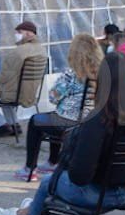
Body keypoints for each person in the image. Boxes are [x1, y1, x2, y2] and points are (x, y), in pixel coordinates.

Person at [0, 50, 125, 215]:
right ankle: (24, 213)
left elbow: (79, 177)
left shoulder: (99, 120)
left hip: (97, 196)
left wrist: (71, 150)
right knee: (51, 182)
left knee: (48, 182)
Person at [13, 34, 103, 181]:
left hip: (69, 122)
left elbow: (54, 98)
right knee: (52, 117)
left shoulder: (72, 74)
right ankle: (52, 162)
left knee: (36, 121)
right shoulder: (102, 73)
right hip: (89, 122)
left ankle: (30, 168)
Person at [0, 21, 43, 137]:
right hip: (30, 93)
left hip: (15, 94)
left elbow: (4, 78)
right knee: (6, 99)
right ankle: (14, 125)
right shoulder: (41, 49)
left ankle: (2, 125)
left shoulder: (19, 51)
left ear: (28, 33)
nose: (16, 35)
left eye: (19, 32)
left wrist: (0, 86)